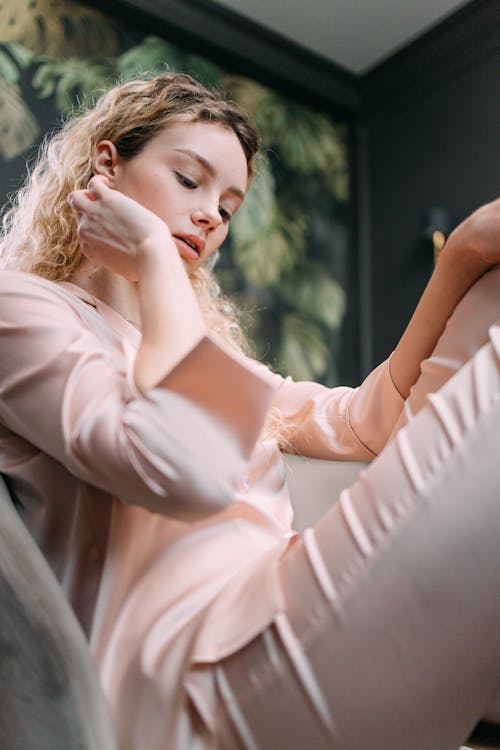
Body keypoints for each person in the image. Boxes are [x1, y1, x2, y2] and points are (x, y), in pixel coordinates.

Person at [0, 72, 498, 750]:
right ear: (106, 166)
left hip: (276, 607)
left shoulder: (197, 351)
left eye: (228, 207)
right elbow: (181, 467)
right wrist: (153, 261)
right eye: (189, 180)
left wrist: (463, 254)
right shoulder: (23, 308)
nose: (211, 215)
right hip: (189, 678)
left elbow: (365, 422)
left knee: (491, 294)